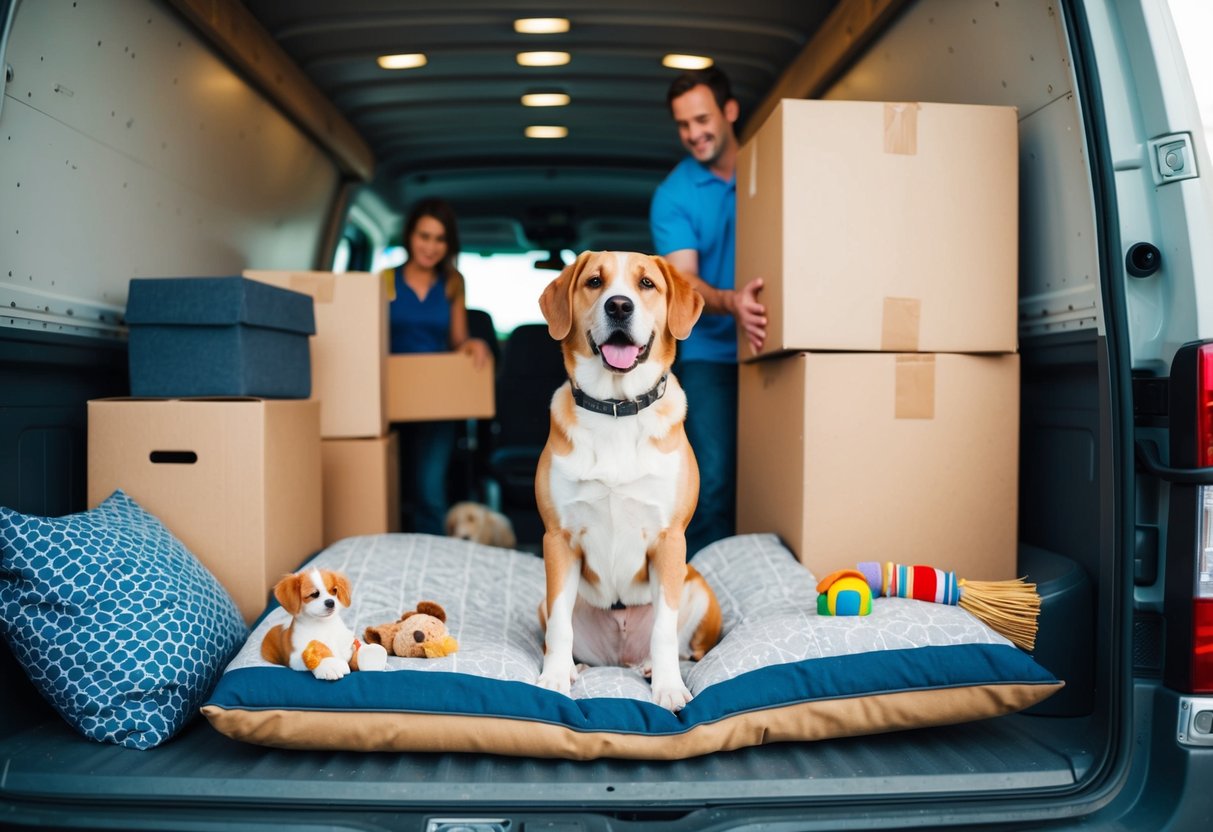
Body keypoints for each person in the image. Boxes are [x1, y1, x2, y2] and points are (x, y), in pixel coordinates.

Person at [649, 67, 767, 557]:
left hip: (777, 346)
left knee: (771, 476)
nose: (693, 133)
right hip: (710, 353)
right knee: (713, 479)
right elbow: (685, 281)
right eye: (683, 125)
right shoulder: (673, 196)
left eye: (702, 119)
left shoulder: (772, 166)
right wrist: (732, 302)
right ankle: (704, 599)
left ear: (730, 111)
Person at [385, 197, 491, 535]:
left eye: (439, 239)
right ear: (410, 236)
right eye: (424, 236)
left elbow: (458, 339)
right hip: (390, 394)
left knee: (429, 488)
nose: (430, 247)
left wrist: (472, 344)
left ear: (449, 244)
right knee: (392, 486)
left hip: (436, 398)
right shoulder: (385, 280)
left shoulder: (452, 282)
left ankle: (433, 563)